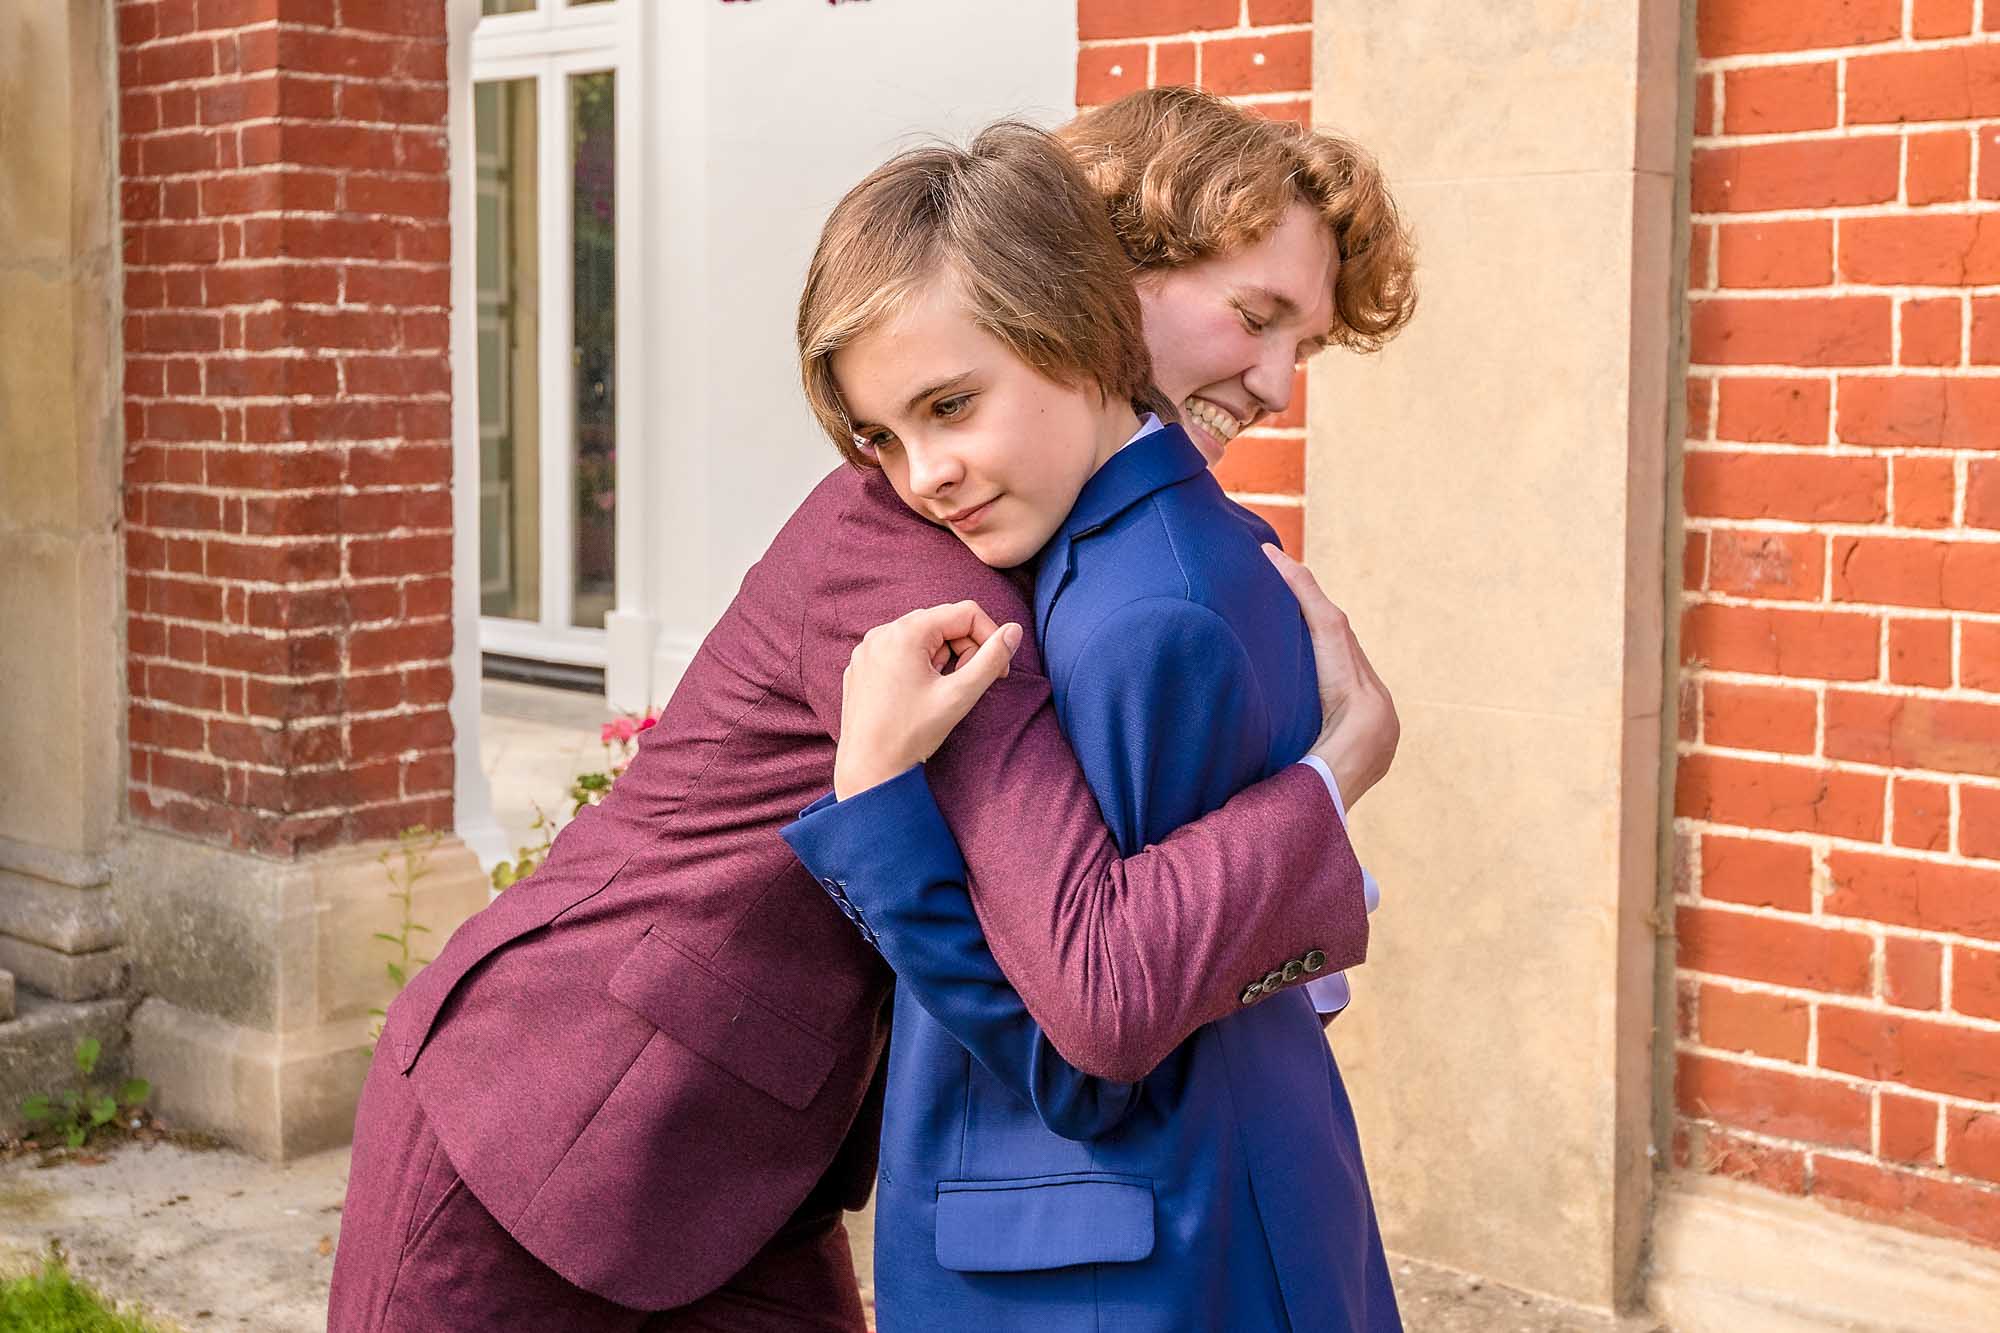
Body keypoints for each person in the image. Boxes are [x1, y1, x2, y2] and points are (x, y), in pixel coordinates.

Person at [326, 122, 1405, 1333]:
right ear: (1097, 291)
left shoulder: (1087, 547)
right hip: (535, 1120)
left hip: (751, 1159)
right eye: (1252, 316)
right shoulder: (920, 570)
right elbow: (1098, 979)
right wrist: (1331, 773)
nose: (922, 470)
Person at [779, 107, 1411, 1332]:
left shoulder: (1138, 601)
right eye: (1257, 313)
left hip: (1116, 1251)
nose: (1280, 387)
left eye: (949, 409)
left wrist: (874, 806)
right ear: (1099, 281)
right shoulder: (1079, 558)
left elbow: (1094, 1033)